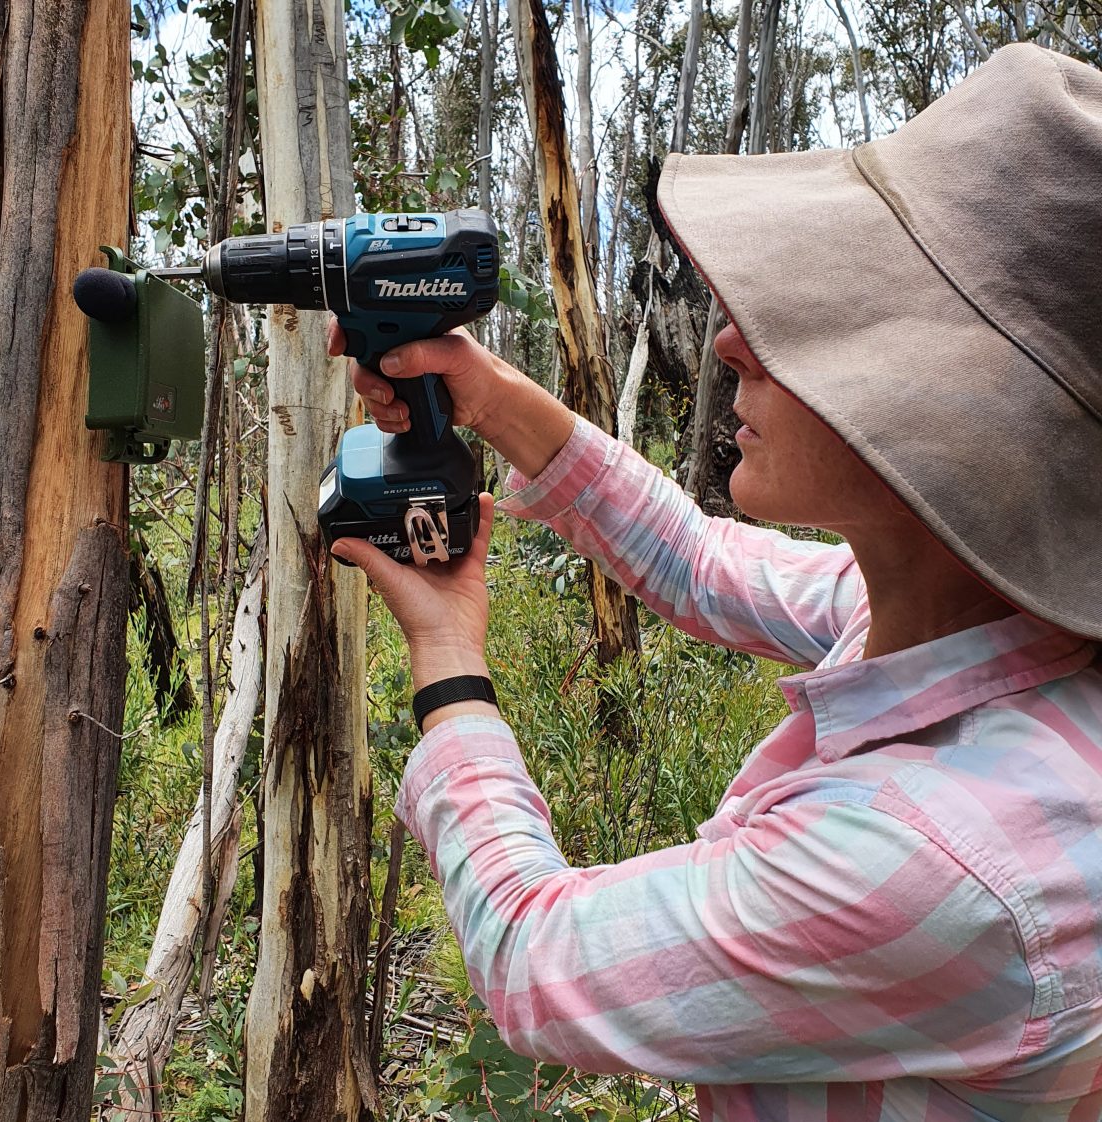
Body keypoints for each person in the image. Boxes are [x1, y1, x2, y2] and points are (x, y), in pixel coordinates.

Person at [329, 42, 1102, 1121]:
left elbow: (534, 958)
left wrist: (451, 667)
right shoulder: (971, 618)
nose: (733, 341)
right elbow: (703, 564)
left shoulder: (939, 856)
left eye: (820, 334)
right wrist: (489, 394)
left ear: (959, 433)